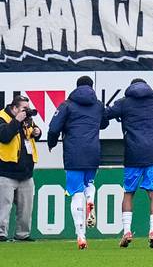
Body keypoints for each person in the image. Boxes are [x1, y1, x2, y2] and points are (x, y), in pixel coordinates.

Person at [103, 65, 153, 249]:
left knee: (129, 193)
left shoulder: (124, 102)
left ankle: (127, 231)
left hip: (132, 155)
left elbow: (104, 114)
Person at [46, 76, 105, 249]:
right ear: (92, 87)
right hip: (93, 152)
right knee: (89, 183)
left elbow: (54, 128)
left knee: (75, 193)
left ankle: (81, 234)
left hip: (73, 154)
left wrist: (51, 143)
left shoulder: (67, 105)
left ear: (76, 87)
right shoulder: (98, 105)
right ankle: (91, 198)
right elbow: (104, 123)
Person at [0, 94, 40, 244]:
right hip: (5, 171)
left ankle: (22, 234)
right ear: (14, 108)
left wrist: (38, 132)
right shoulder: (2, 117)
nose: (27, 112)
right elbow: (4, 136)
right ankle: (1, 234)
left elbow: (33, 133)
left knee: (26, 208)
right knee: (3, 207)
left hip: (26, 173)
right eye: (24, 109)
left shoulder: (27, 119)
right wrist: (16, 120)